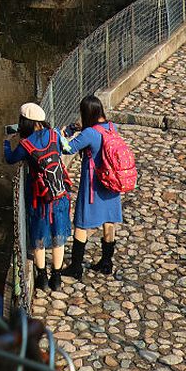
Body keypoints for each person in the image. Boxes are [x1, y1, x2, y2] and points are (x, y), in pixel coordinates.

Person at [3, 101, 72, 292]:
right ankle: (56, 279)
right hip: (59, 195)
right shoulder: (54, 134)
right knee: (59, 237)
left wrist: (7, 141)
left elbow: (10, 159)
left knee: (38, 238)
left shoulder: (26, 144)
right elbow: (65, 148)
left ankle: (42, 279)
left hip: (39, 197)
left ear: (24, 123)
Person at [63, 94, 123, 280]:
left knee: (81, 223)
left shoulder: (89, 133)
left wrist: (67, 131)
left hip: (93, 185)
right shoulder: (111, 127)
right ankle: (106, 263)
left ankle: (76, 267)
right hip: (112, 183)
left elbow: (68, 148)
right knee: (109, 220)